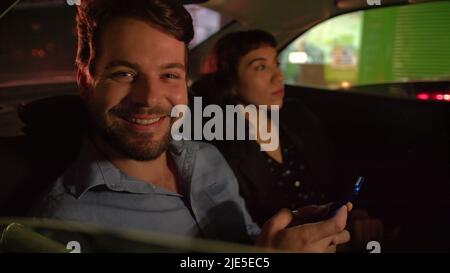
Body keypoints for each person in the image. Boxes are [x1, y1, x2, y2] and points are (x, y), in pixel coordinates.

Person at [1, 0, 351, 252]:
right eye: (124, 73)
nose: (150, 97)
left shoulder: (207, 158)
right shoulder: (61, 225)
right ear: (84, 79)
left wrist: (285, 237)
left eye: (169, 75)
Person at [192, 30, 383, 248]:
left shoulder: (295, 115)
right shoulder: (220, 141)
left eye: (276, 64)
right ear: (230, 82)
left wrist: (354, 212)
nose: (278, 76)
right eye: (261, 67)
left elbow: (335, 172)